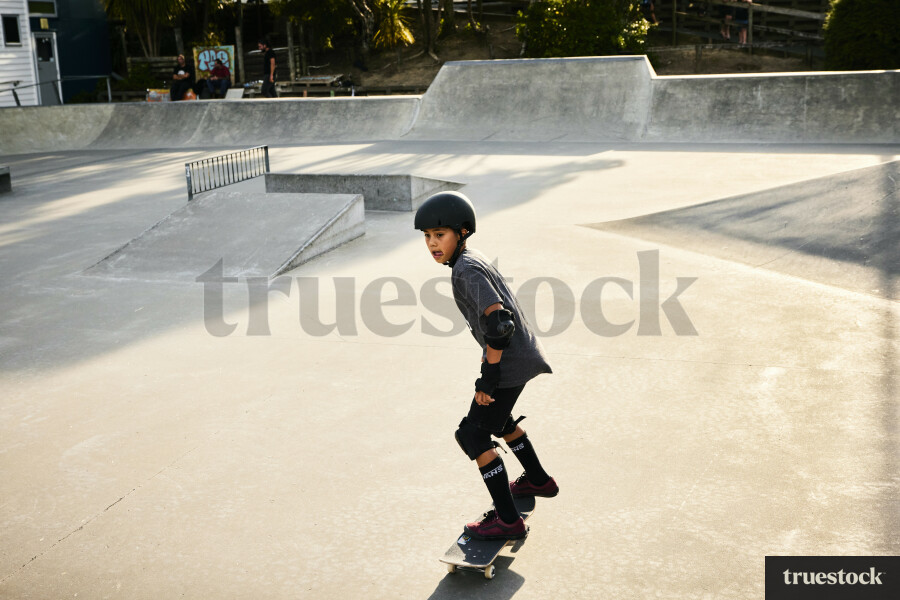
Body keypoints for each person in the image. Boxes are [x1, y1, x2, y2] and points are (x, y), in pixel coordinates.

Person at [414, 191, 558, 541]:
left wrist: (488, 377)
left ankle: (508, 520)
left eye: (440, 235)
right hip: (521, 355)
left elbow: (499, 324)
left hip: (509, 363)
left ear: (461, 232)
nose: (433, 244)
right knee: (498, 420)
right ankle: (538, 480)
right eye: (428, 237)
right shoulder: (470, 259)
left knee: (474, 434)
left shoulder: (465, 270)